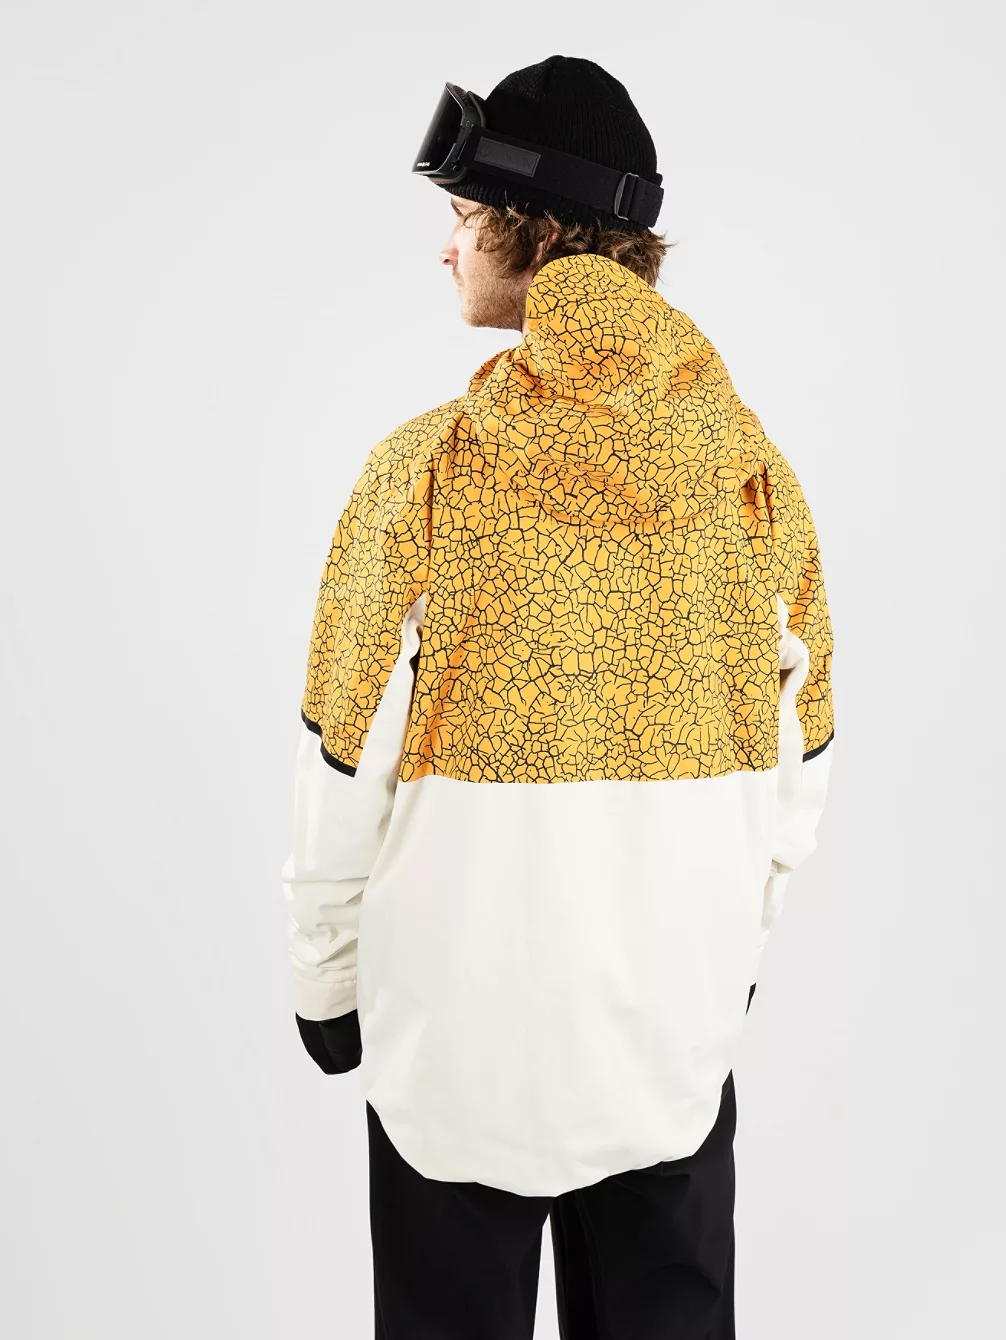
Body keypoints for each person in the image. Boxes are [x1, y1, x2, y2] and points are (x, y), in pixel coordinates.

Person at [281, 55, 835, 1340]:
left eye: (463, 217)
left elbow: (340, 758)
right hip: (668, 1047)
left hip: (456, 1059)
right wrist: (730, 962)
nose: (445, 248)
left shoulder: (425, 472)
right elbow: (802, 757)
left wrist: (325, 984)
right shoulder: (751, 474)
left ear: (531, 229)